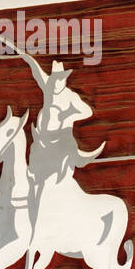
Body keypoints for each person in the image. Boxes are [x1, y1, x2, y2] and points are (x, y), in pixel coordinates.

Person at [27, 58, 103, 196]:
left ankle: (64, 175)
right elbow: (36, 70)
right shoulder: (48, 85)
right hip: (43, 137)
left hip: (62, 137)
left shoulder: (70, 96)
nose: (56, 84)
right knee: (34, 155)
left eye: (60, 80)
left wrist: (69, 115)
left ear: (65, 80)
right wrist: (23, 54)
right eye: (55, 79)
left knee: (69, 151)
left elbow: (88, 111)